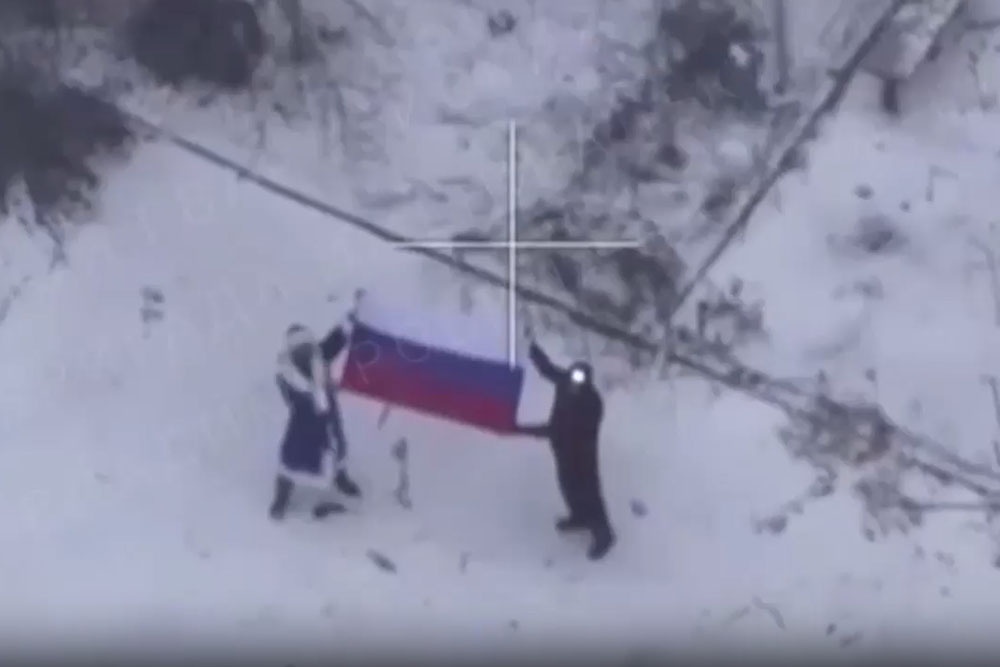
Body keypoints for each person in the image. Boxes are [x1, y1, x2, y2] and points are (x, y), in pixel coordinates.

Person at [515, 339, 615, 560]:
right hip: (562, 449)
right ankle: (579, 517)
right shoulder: (564, 381)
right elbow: (547, 369)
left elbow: (563, 430)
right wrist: (532, 349)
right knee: (567, 486)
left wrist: (528, 430)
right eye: (572, 378)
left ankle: (604, 534)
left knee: (589, 492)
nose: (573, 385)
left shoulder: (592, 403)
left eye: (579, 381)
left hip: (582, 453)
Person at [269, 319, 362, 521]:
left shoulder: (319, 356)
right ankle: (282, 495)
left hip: (329, 422)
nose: (306, 354)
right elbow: (291, 398)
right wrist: (315, 389)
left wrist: (353, 319)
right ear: (292, 353)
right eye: (300, 351)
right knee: (292, 460)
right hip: (303, 427)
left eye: (308, 348)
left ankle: (340, 478)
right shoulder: (286, 376)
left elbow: (336, 340)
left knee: (337, 450)